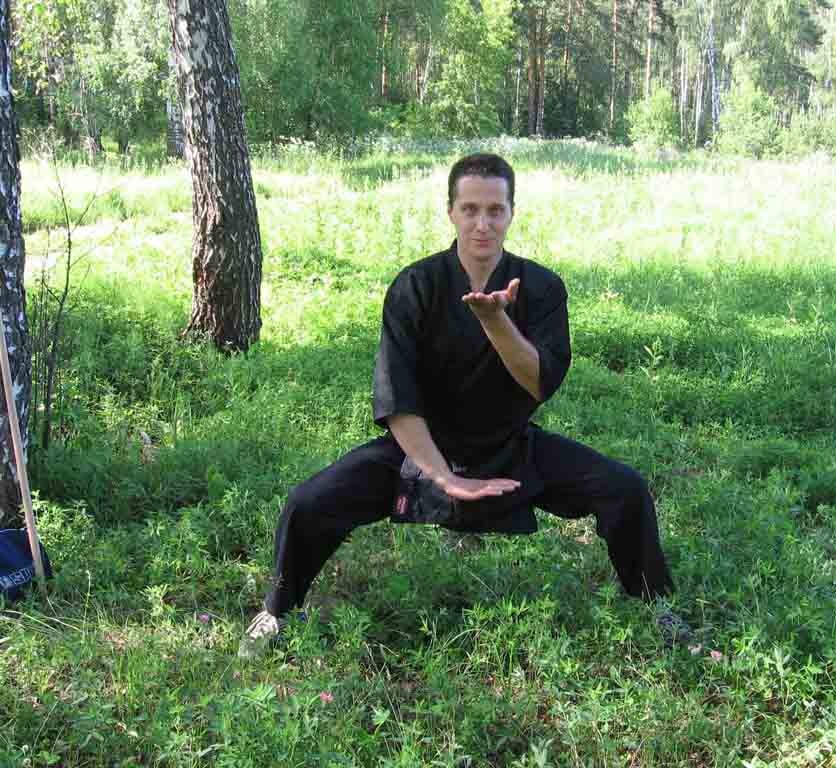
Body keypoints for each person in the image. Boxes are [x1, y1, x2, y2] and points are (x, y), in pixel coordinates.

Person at [239, 153, 690, 659]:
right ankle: (276, 611)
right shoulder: (417, 286)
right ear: (451, 211)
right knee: (309, 503)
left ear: (512, 212)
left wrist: (496, 321)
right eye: (470, 209)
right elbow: (398, 400)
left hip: (509, 445)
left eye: (495, 210)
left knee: (625, 490)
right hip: (420, 448)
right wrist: (444, 477)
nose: (483, 223)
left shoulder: (541, 287)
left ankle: (657, 605)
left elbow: (539, 382)